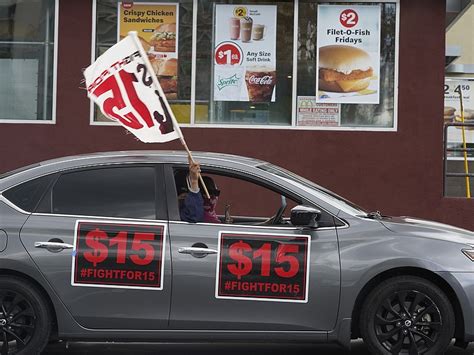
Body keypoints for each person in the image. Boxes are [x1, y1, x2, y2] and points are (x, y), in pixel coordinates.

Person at [175, 158, 221, 223]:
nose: (210, 198)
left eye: (216, 193)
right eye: (205, 193)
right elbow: (193, 216)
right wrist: (194, 182)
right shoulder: (191, 212)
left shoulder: (212, 216)